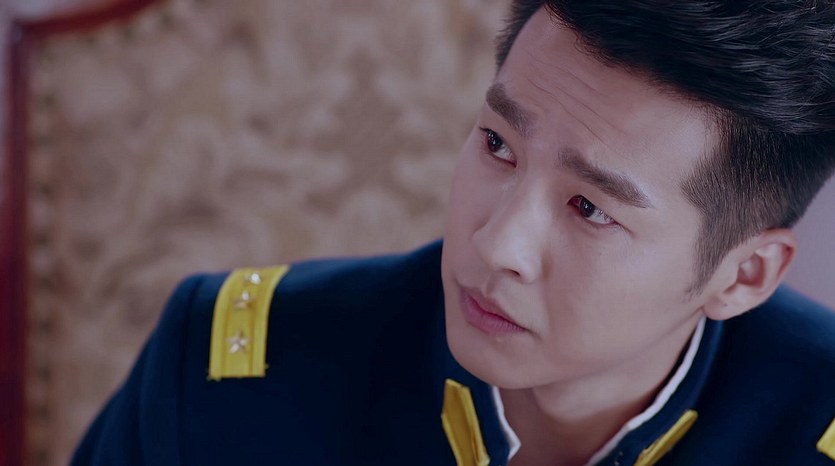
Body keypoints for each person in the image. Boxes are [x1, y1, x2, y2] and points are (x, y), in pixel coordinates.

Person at [72, 1, 835, 465]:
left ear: (742, 276)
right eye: (498, 145)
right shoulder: (228, 383)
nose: (497, 245)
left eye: (589, 208)